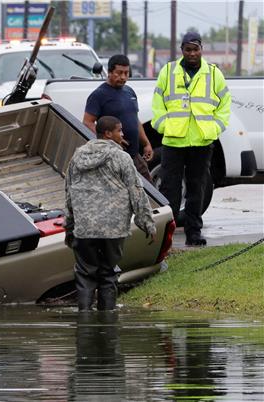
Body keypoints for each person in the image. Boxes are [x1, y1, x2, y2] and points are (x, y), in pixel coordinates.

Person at [64, 116, 157, 312]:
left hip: (85, 228)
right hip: (113, 229)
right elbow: (136, 192)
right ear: (108, 133)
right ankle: (107, 321)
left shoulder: (77, 157)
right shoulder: (121, 158)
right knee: (108, 273)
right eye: (119, 131)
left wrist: (69, 227)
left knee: (85, 274)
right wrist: (147, 223)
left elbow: (69, 194)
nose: (122, 135)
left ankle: (85, 319)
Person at [152, 32, 231, 246]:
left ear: (201, 49)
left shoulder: (214, 74)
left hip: (202, 142)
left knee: (198, 188)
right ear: (182, 50)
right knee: (170, 189)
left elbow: (225, 104)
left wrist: (215, 129)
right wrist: (163, 125)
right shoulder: (168, 71)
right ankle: (164, 237)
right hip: (173, 142)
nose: (192, 53)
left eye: (196, 49)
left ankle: (193, 233)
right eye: (188, 49)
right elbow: (157, 103)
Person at [83, 54, 154, 182]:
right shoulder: (98, 95)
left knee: (150, 193)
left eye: (126, 73)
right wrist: (110, 142)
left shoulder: (129, 92)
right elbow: (88, 122)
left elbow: (135, 120)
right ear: (109, 72)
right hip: (114, 159)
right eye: (119, 73)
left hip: (134, 155)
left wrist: (146, 143)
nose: (123, 77)